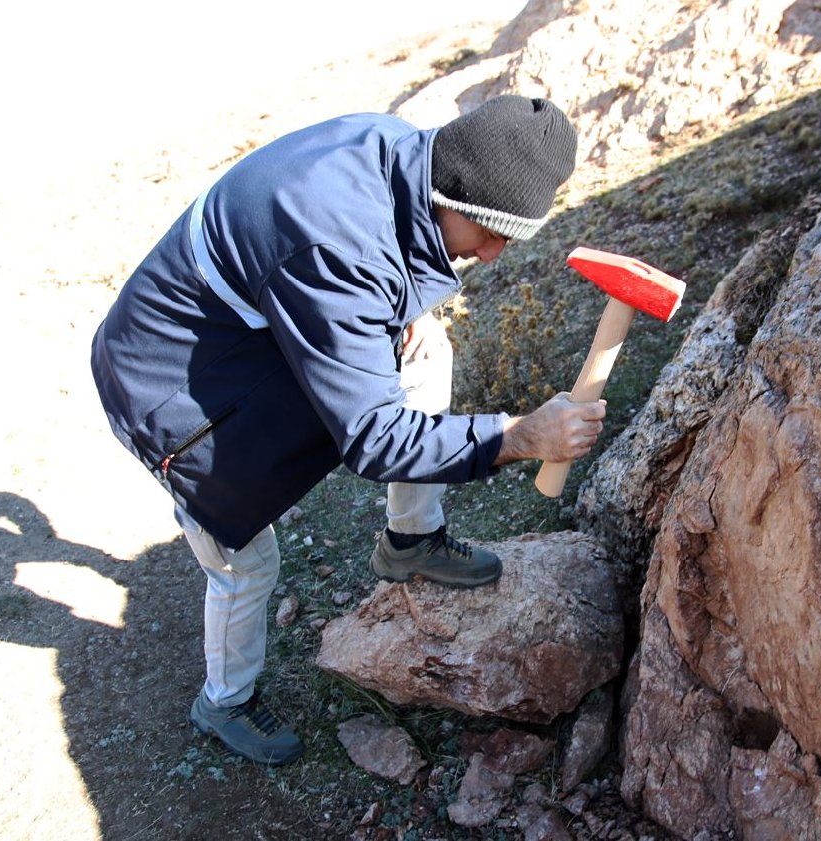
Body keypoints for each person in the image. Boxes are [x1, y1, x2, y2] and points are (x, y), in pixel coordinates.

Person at [90, 95, 605, 767]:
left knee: (426, 354)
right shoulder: (336, 247)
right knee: (243, 559)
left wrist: (408, 306)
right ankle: (224, 701)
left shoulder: (402, 151)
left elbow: (364, 268)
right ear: (451, 190)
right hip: (167, 380)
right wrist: (519, 436)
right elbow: (374, 437)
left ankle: (411, 540)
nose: (494, 253)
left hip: (251, 322)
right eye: (487, 230)